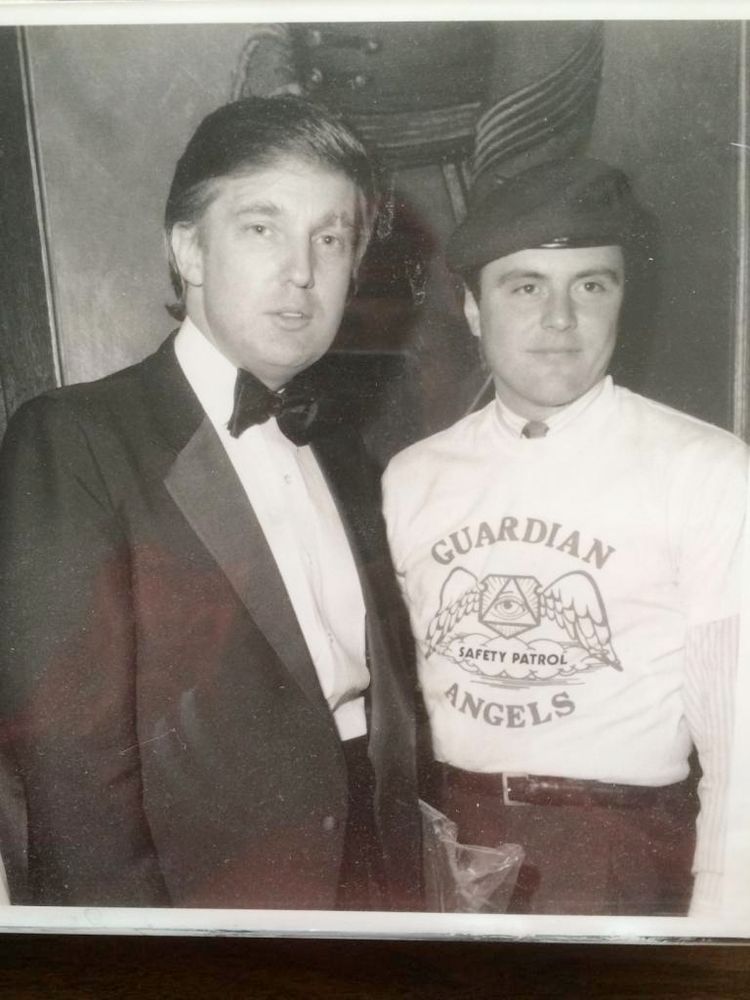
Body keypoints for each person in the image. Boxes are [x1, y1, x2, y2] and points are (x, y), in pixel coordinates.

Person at [0, 95, 421, 910]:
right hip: (208, 908)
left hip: (370, 879)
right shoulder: (75, 438)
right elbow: (69, 778)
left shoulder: (343, 451)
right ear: (189, 250)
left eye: (331, 239)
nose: (302, 271)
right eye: (262, 228)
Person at [382, 158, 747, 917]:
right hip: (444, 845)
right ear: (473, 307)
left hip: (621, 854)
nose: (560, 319)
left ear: (622, 301)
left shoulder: (706, 469)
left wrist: (724, 916)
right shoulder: (412, 478)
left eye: (591, 286)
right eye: (525, 287)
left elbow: (741, 739)